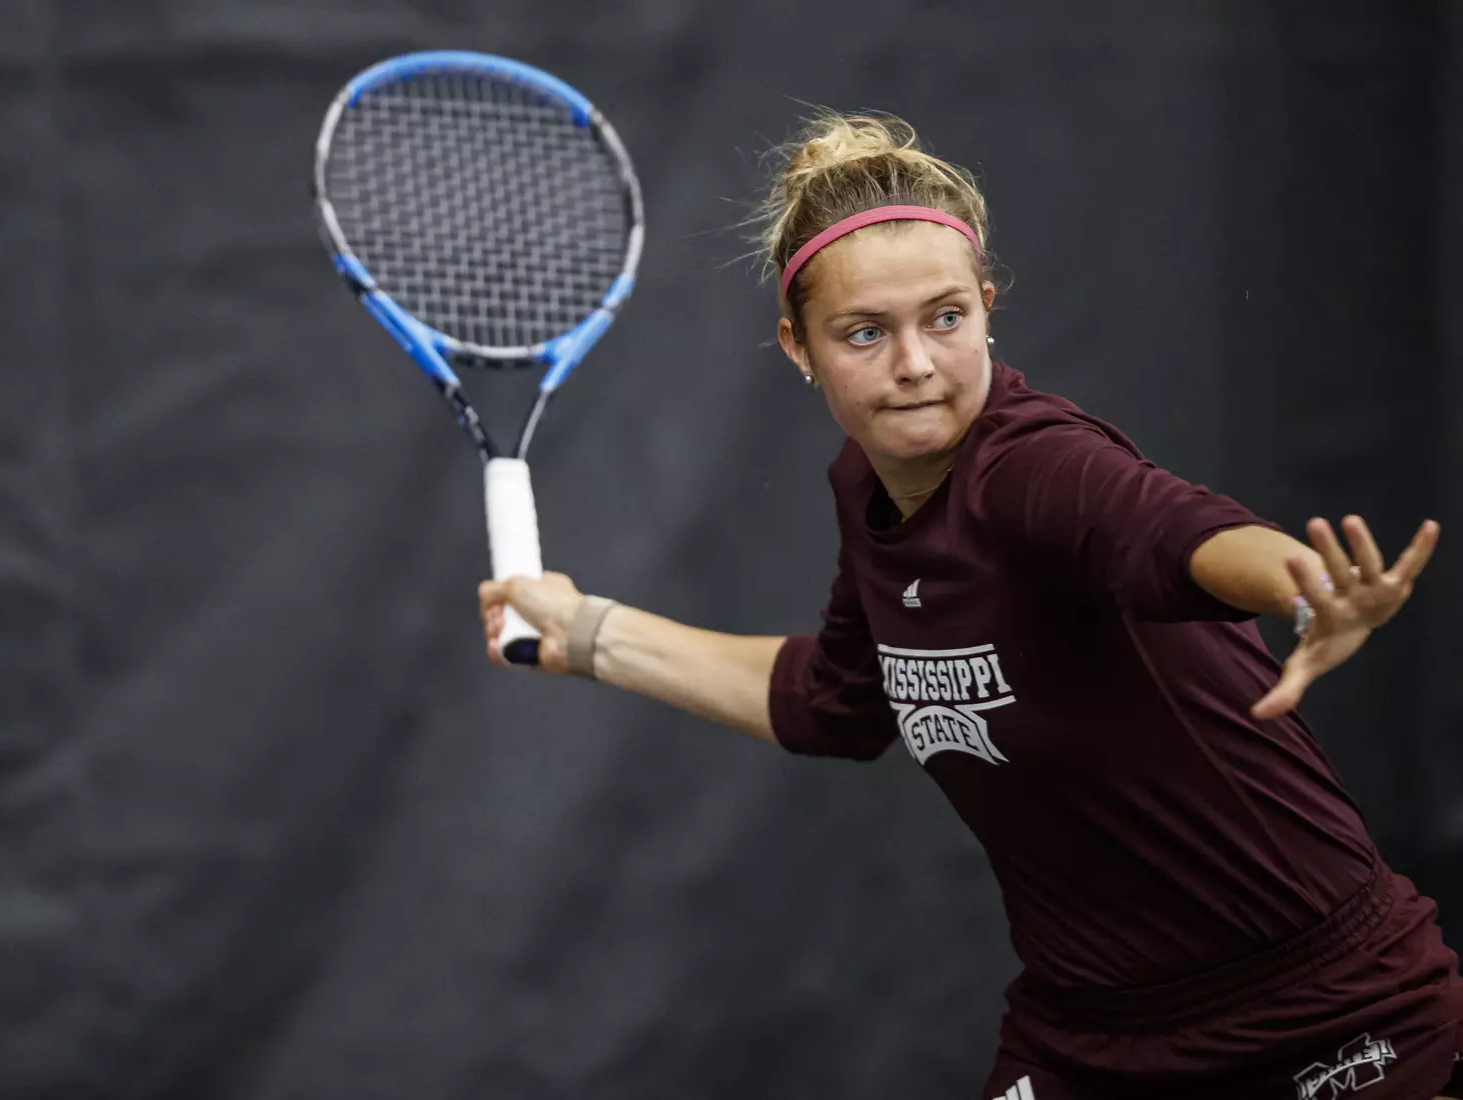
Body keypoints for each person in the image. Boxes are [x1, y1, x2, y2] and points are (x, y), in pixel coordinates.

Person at [476, 112, 1460, 1100]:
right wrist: (590, 629)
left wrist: (1304, 580)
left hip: (1323, 1006)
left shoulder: (1035, 468)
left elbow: (1171, 529)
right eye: (865, 332)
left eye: (945, 318)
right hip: (1091, 1034)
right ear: (797, 346)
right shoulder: (867, 492)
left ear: (987, 308)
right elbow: (834, 699)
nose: (915, 363)